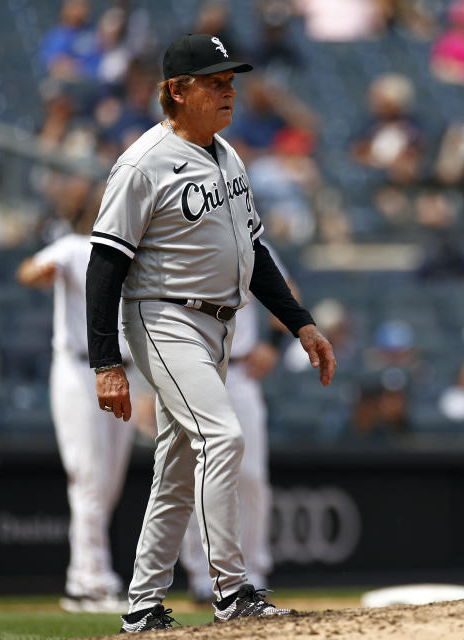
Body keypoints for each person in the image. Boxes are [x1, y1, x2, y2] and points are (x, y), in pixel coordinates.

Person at [85, 33, 336, 632]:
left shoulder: (228, 155)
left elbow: (254, 246)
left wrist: (300, 323)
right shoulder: (143, 163)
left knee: (176, 465)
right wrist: (105, 363)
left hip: (218, 325)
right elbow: (105, 263)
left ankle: (143, 606)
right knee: (222, 437)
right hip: (164, 316)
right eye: (215, 82)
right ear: (177, 90)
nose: (229, 91)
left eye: (231, 81)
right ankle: (230, 589)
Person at [17, 208, 134, 614]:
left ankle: (87, 574)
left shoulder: (131, 252)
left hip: (126, 370)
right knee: (89, 474)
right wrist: (41, 271)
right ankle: (89, 581)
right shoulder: (72, 246)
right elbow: (28, 271)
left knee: (110, 482)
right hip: (79, 368)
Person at [179, 246, 294, 604]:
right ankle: (202, 575)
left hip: (240, 370)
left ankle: (254, 571)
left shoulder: (248, 237)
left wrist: (274, 344)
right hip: (189, 368)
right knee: (194, 474)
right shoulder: (178, 235)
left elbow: (287, 288)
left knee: (251, 476)